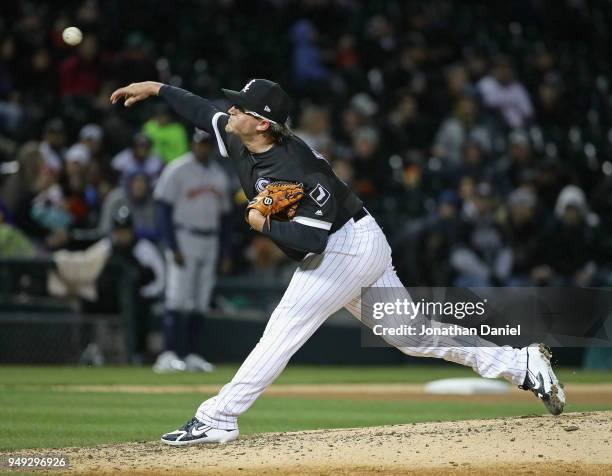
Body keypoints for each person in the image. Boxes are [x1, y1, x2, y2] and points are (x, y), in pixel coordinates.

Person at [110, 78, 566, 446]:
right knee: (412, 334)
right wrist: (156, 89)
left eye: (240, 108)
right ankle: (522, 364)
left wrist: (261, 223)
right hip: (354, 241)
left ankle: (218, 418)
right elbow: (199, 108)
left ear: (263, 124)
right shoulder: (240, 139)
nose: (230, 111)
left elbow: (308, 242)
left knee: (285, 325)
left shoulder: (297, 170)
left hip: (346, 246)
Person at [152, 128, 231, 373]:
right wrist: (172, 245)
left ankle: (192, 354)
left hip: (210, 239)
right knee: (178, 297)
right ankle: (169, 354)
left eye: (207, 143)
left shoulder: (219, 174)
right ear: (192, 144)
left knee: (200, 300)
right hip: (184, 235)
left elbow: (226, 218)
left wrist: (225, 252)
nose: (203, 147)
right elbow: (163, 209)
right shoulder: (177, 169)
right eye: (200, 143)